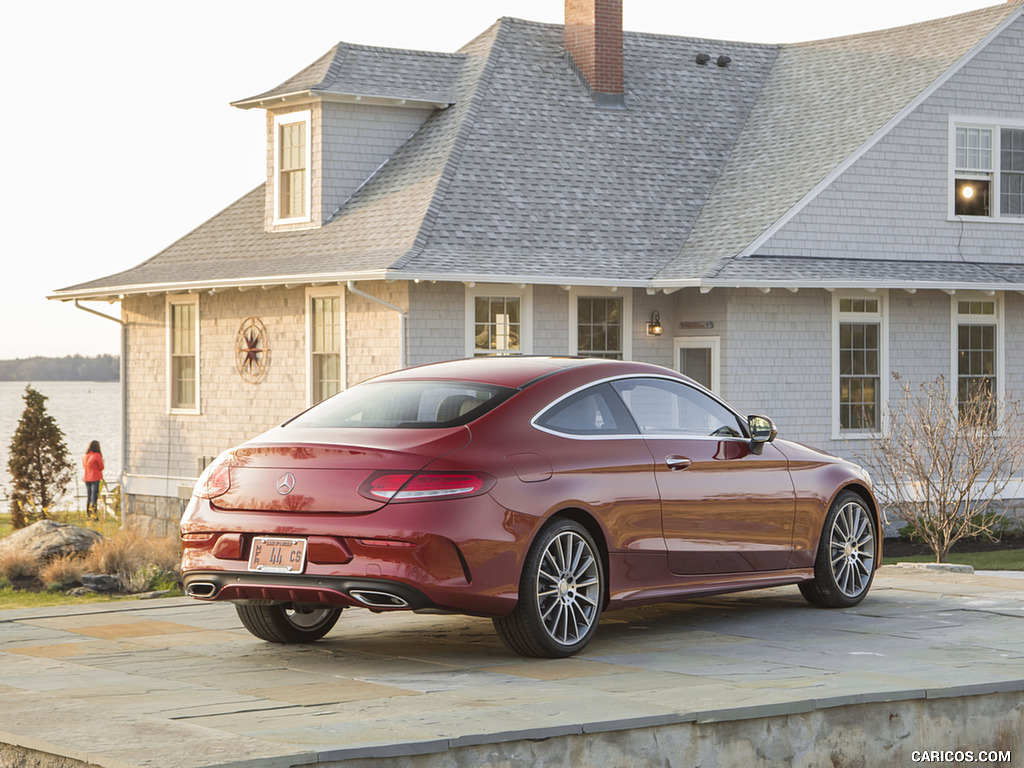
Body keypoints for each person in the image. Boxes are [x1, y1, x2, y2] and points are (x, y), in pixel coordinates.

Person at [83, 440, 104, 520]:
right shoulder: (97, 455)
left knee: (89, 496)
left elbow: (84, 466)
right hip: (95, 478)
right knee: (94, 497)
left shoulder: (85, 455)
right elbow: (101, 467)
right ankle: (94, 515)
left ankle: (88, 514)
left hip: (87, 478)